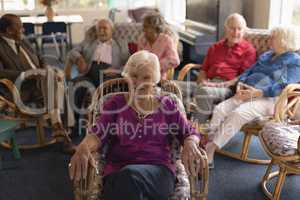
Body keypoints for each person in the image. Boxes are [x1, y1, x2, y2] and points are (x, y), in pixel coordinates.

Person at [69, 50, 203, 200]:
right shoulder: (115, 103)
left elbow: (189, 131)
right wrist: (84, 146)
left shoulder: (167, 105)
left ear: (155, 80)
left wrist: (190, 142)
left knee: (128, 178)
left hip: (158, 173)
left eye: (146, 77)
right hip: (117, 171)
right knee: (127, 181)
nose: (139, 83)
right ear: (126, 76)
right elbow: (98, 133)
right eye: (134, 76)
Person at [205, 26, 300, 165]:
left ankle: (210, 149)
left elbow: (282, 86)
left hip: (270, 100)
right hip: (247, 92)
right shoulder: (268, 54)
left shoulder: (295, 61)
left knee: (238, 113)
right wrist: (240, 83)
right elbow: (249, 70)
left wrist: (258, 92)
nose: (270, 40)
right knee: (219, 109)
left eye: (273, 37)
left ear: (283, 40)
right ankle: (208, 140)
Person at [0, 14, 75, 154]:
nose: (23, 29)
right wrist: (26, 75)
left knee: (54, 76)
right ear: (9, 30)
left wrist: (46, 68)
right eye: (19, 26)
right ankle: (62, 127)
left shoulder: (21, 39)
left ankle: (59, 127)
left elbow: (40, 58)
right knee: (56, 83)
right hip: (19, 88)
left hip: (40, 82)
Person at [175, 13, 256, 124]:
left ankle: (194, 133)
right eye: (232, 28)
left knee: (204, 92)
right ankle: (177, 124)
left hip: (228, 88)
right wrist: (202, 82)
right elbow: (204, 69)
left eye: (239, 29)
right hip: (208, 83)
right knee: (173, 86)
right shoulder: (215, 47)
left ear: (244, 31)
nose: (236, 33)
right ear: (226, 29)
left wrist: (218, 85)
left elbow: (243, 77)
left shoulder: (248, 50)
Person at [65, 18, 129, 86]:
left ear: (112, 30)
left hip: (108, 75)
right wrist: (79, 59)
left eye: (104, 28)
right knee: (75, 85)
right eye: (99, 28)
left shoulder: (121, 45)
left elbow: (129, 63)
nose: (101, 31)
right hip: (89, 73)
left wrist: (117, 71)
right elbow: (72, 52)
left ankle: (93, 93)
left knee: (108, 86)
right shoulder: (88, 42)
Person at [137, 12, 180, 80]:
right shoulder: (142, 39)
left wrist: (155, 65)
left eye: (146, 27)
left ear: (155, 28)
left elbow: (174, 60)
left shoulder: (166, 40)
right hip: (141, 76)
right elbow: (139, 58)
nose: (143, 29)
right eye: (143, 26)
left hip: (159, 78)